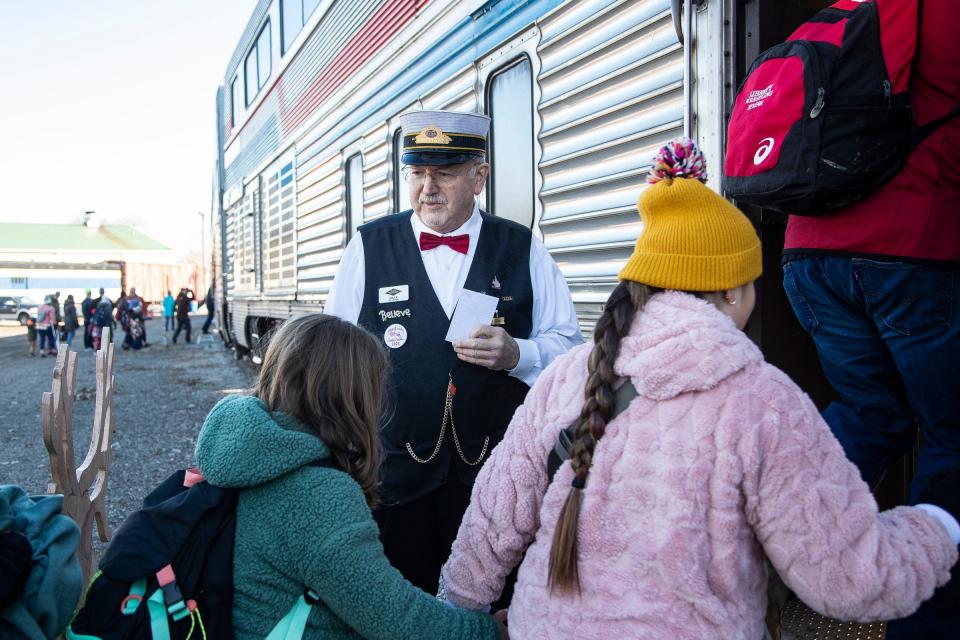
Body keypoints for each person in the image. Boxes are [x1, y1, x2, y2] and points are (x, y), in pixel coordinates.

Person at [440, 139, 960, 639]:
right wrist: (938, 525)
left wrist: (456, 621)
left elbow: (489, 527)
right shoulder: (762, 401)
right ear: (733, 288)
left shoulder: (566, 377)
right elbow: (851, 581)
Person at [325, 109, 582, 597]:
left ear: (479, 176)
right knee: (401, 604)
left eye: (443, 173)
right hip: (394, 478)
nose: (428, 188)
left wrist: (518, 353)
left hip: (498, 482)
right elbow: (331, 355)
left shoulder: (523, 248)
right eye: (417, 173)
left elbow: (568, 350)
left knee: (491, 602)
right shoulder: (368, 246)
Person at [780, 2, 959, 636]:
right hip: (909, 252)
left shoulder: (836, 18)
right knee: (951, 436)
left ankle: (785, 555)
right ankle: (929, 622)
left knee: (871, 413)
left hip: (807, 255)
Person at [194, 314, 506, 640]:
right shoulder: (318, 496)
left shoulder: (251, 453)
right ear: (350, 397)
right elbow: (396, 619)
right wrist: (487, 631)